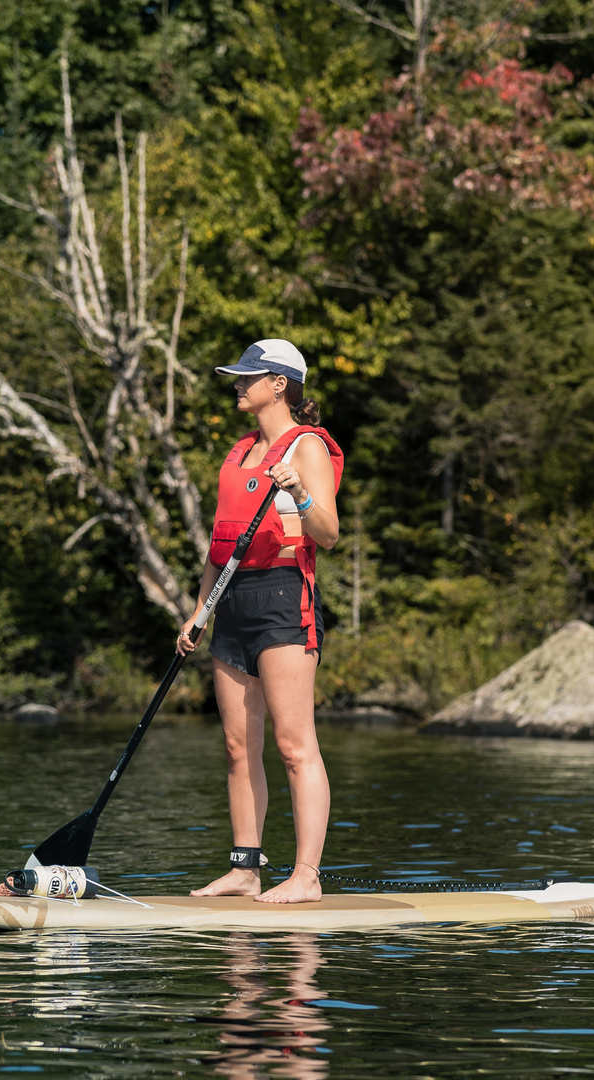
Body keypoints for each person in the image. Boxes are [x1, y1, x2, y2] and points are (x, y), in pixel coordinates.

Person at [178, 339, 343, 904]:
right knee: (235, 745)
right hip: (232, 601)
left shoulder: (308, 449)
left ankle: (306, 876)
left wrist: (297, 494)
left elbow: (328, 534)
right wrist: (199, 610)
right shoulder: (239, 451)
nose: (236, 384)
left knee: (295, 745)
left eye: (247, 376)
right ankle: (246, 868)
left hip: (282, 597)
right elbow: (217, 546)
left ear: (279, 384)